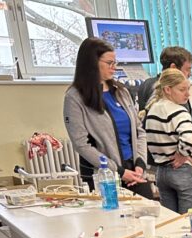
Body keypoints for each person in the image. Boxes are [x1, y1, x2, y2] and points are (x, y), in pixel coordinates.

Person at [63, 37, 153, 199]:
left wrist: (140, 164)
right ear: (93, 63)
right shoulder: (75, 97)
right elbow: (82, 144)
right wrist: (118, 171)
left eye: (115, 62)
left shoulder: (121, 92)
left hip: (134, 172)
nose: (114, 67)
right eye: (110, 63)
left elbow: (139, 131)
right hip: (103, 175)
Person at [143, 70, 192, 214]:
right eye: (182, 90)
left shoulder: (151, 110)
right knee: (191, 222)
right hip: (183, 170)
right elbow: (190, 138)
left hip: (162, 172)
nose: (187, 94)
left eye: (188, 89)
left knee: (172, 220)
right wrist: (182, 153)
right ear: (167, 90)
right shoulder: (178, 111)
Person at [136, 45, 192, 112]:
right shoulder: (171, 90)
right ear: (173, 68)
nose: (190, 74)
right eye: (188, 69)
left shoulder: (146, 84)